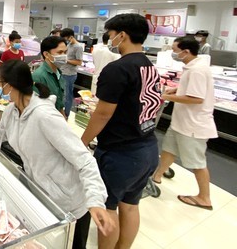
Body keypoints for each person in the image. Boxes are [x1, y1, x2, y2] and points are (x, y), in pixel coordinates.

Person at [0, 60, 113, 249]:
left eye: (0, 83)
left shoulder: (45, 116)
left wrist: (96, 200)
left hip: (70, 202)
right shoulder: (12, 111)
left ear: (10, 85)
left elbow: (84, 160)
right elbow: (0, 134)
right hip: (44, 194)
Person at [81, 14, 162, 249]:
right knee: (131, 205)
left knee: (107, 207)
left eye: (110, 34)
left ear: (122, 35)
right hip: (147, 148)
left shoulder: (117, 69)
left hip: (120, 153)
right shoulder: (150, 67)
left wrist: (83, 141)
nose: (109, 39)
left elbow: (103, 113)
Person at [151, 36, 217, 210]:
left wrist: (166, 96)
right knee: (169, 149)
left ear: (186, 51)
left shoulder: (198, 70)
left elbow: (196, 98)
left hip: (193, 125)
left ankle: (204, 198)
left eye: (174, 50)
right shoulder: (191, 67)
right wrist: (176, 89)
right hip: (180, 122)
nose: (173, 53)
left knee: (197, 162)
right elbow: (191, 90)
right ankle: (157, 175)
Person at [32, 36, 67, 116]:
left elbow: (59, 101)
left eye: (65, 52)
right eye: (60, 52)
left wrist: (63, 117)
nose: (64, 55)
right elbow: (36, 108)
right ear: (46, 54)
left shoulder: (58, 73)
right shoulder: (39, 76)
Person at [60, 28, 83, 118]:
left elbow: (79, 62)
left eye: (66, 38)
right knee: (62, 94)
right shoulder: (69, 44)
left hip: (70, 74)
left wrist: (66, 60)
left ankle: (66, 114)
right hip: (63, 72)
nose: (65, 40)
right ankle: (62, 112)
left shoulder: (78, 47)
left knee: (68, 96)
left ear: (71, 37)